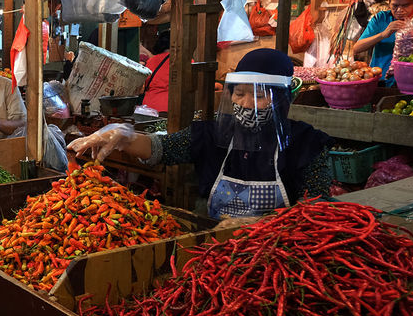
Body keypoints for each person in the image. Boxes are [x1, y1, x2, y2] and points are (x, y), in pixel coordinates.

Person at [68, 48, 333, 219]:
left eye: (259, 96)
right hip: (212, 248)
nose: (245, 103)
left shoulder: (306, 143)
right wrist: (122, 134)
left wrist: (257, 227)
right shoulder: (214, 134)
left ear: (283, 100)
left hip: (276, 252)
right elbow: (163, 148)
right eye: (239, 94)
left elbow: (315, 211)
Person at [141, 31, 171, 114]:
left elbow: (143, 85)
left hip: (149, 108)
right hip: (172, 107)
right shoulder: (186, 61)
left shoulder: (150, 61)